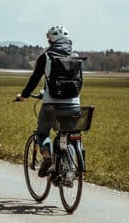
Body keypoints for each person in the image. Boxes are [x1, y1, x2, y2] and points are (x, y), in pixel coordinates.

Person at [15, 26, 82, 177]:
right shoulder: (75, 55)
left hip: (51, 104)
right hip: (74, 104)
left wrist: (24, 95)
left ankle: (47, 157)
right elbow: (79, 82)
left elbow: (34, 79)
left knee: (43, 133)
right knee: (69, 134)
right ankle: (70, 170)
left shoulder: (46, 56)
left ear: (51, 40)